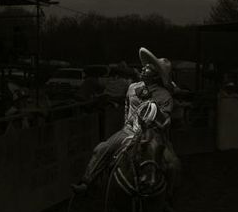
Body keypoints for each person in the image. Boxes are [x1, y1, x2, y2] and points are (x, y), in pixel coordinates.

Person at [72, 47, 178, 195]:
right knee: (102, 148)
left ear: (155, 76)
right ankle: (86, 182)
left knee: (172, 164)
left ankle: (168, 198)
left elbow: (165, 121)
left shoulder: (164, 95)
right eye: (145, 67)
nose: (143, 69)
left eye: (148, 69)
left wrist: (152, 108)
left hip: (154, 135)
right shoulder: (132, 88)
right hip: (129, 131)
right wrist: (128, 126)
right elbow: (127, 109)